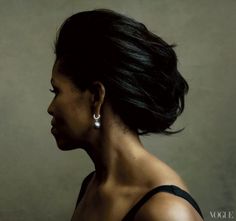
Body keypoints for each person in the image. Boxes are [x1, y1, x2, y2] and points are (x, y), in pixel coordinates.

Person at [47, 9, 204, 221]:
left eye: (56, 92)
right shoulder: (92, 185)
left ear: (96, 97)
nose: (50, 108)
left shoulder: (165, 212)